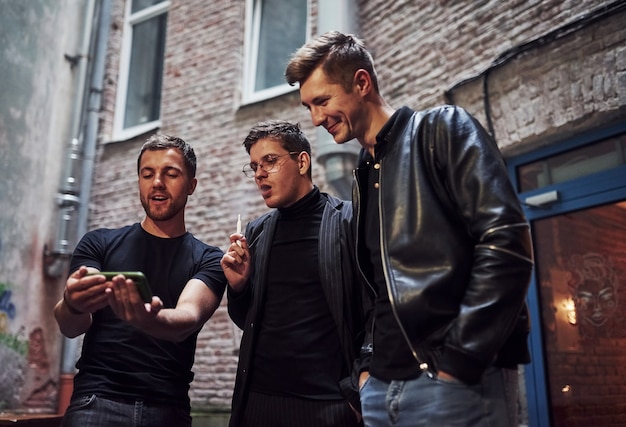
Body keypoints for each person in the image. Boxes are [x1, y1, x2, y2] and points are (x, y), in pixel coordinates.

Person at [286, 31, 534, 427]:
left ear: (362, 83)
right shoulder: (364, 177)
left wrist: (460, 360)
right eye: (309, 106)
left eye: (322, 101)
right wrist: (366, 371)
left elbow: (505, 242)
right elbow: (380, 290)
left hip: (451, 384)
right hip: (381, 390)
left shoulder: (441, 130)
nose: (315, 119)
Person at [54, 134, 227, 427]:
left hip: (167, 410)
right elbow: (71, 327)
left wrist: (150, 320)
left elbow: (187, 318)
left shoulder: (208, 259)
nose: (157, 182)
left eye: (170, 174)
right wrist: (73, 302)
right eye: (148, 174)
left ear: (191, 185)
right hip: (96, 402)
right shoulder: (99, 243)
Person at [221, 120, 371, 427]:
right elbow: (248, 320)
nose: (259, 173)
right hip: (258, 402)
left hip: (327, 404)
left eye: (270, 161)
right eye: (253, 166)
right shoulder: (258, 231)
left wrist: (358, 390)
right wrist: (238, 288)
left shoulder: (348, 221)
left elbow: (374, 309)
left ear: (302, 162)